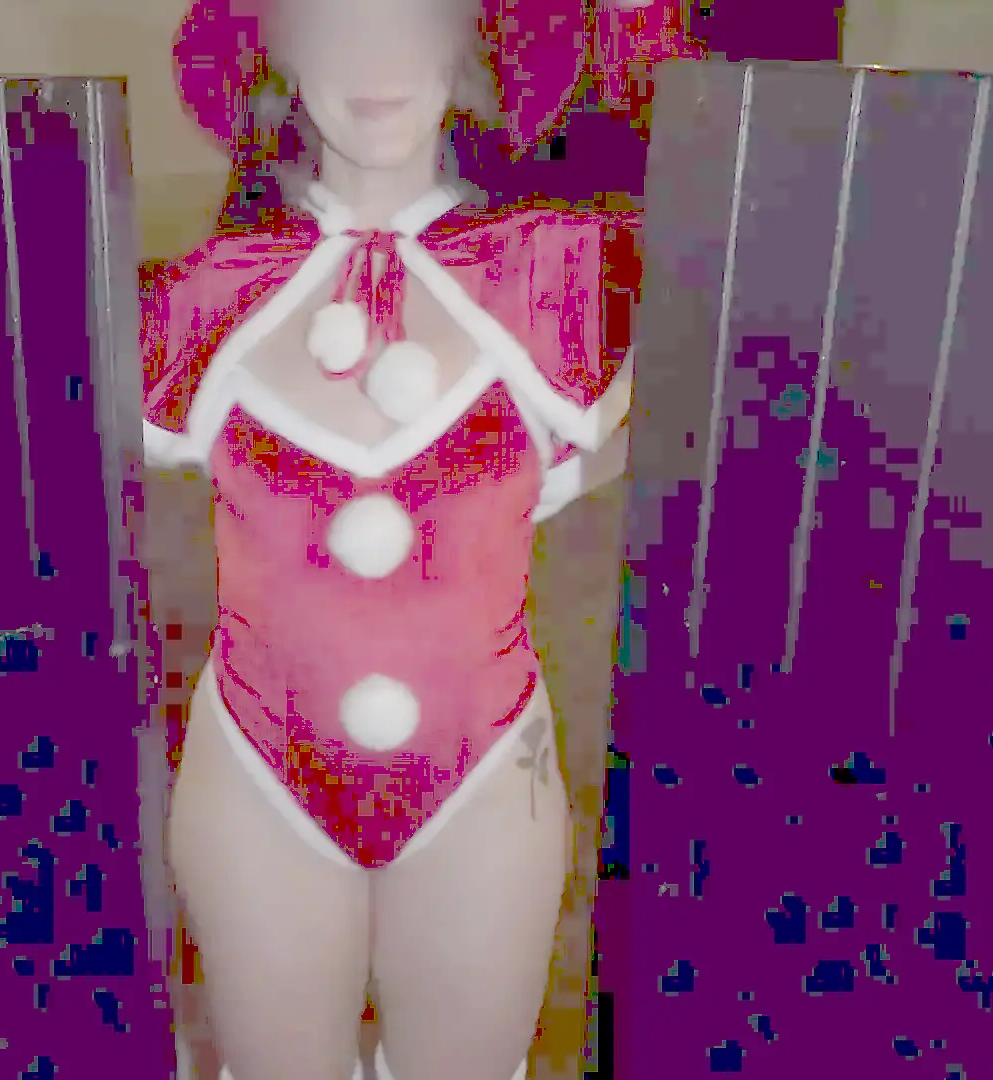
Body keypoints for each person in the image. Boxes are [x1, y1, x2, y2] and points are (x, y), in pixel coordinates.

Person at [142, 2, 696, 1078]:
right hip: (255, 776)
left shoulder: (566, 277)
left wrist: (651, 59)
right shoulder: (205, 297)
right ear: (277, 47)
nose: (376, 57)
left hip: (487, 779)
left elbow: (742, 307)